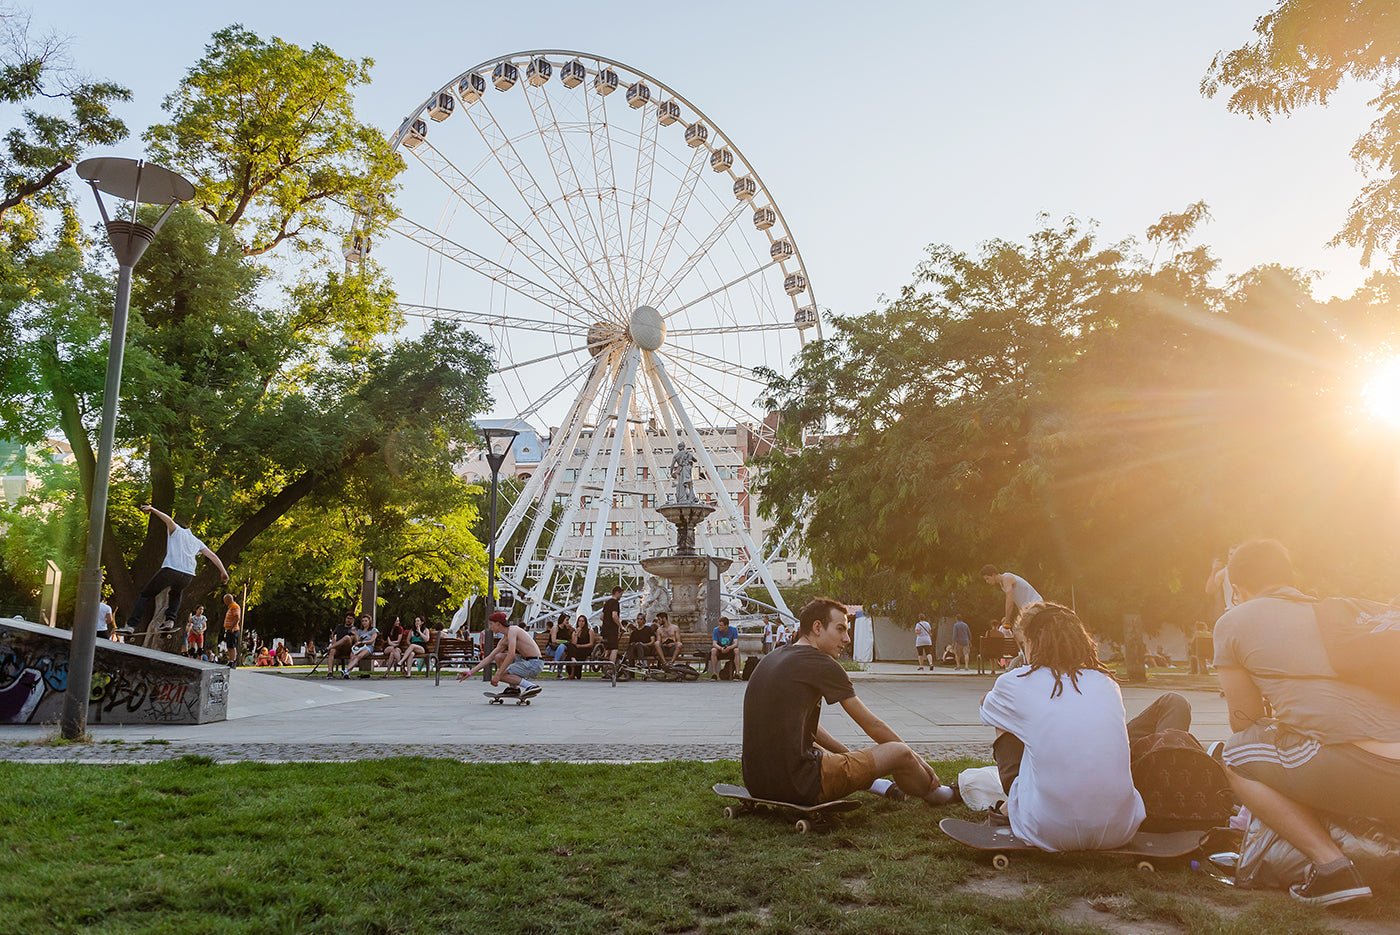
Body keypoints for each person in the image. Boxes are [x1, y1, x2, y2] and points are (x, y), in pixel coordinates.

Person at [1214, 539, 1400, 907]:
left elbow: (1244, 720)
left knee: (1236, 754)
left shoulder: (1232, 621)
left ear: (1237, 590)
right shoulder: (1333, 615)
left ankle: (1332, 869)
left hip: (1361, 766)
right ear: (1288, 576)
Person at [979, 601, 1187, 852]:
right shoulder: (1106, 682)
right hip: (1119, 829)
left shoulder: (1016, 681)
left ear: (1033, 641)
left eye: (1024, 645)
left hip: (1049, 829)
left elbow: (987, 709)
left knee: (1003, 719)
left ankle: (1012, 802)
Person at [742, 597, 955, 806]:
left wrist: (847, 755)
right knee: (899, 752)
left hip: (758, 783)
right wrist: (919, 760)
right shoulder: (821, 663)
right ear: (818, 627)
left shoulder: (772, 658)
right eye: (841, 629)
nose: (847, 639)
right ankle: (940, 794)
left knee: (807, 743)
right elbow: (872, 724)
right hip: (800, 786)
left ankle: (879, 785)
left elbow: (805, 726)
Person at [126, 504, 229, 635]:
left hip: (171, 570)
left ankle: (131, 625)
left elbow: (168, 520)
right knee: (176, 593)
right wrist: (223, 571)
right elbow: (212, 556)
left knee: (146, 594)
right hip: (188, 575)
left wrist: (153, 509)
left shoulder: (176, 530)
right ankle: (170, 620)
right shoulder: (196, 541)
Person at [457, 611, 543, 697]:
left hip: (534, 664)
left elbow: (511, 654)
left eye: (491, 624)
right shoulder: (505, 639)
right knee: (498, 657)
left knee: (500, 674)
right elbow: (490, 657)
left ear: (498, 624)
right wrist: (470, 672)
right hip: (525, 661)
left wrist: (499, 674)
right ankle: (513, 688)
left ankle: (530, 686)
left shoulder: (513, 630)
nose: (490, 627)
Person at [980, 564, 1043, 631]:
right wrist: (1012, 616)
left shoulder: (1006, 579)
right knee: (1019, 629)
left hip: (1035, 604)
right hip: (1028, 607)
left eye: (987, 578)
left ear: (993, 574)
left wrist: (1007, 620)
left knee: (1019, 631)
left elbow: (1009, 601)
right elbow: (1017, 601)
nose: (987, 582)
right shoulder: (1002, 585)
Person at [324, 614, 357, 678]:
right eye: (347, 618)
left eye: (350, 619)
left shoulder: (354, 629)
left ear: (353, 620)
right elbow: (334, 636)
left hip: (347, 648)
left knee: (347, 637)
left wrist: (355, 635)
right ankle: (330, 672)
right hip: (338, 648)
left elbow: (356, 641)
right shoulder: (339, 627)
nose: (348, 620)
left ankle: (328, 648)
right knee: (332, 651)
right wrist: (333, 643)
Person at [600, 586, 623, 673]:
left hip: (604, 629)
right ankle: (611, 669)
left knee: (607, 649)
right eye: (621, 594)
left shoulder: (607, 603)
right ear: (617, 593)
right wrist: (620, 626)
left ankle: (604, 669)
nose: (621, 597)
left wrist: (607, 621)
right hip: (612, 630)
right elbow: (614, 616)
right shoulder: (615, 603)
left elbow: (601, 617)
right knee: (614, 649)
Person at [710, 616, 741, 680]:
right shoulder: (716, 630)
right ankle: (714, 674)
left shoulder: (733, 630)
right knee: (713, 650)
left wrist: (729, 648)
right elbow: (714, 644)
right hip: (720, 649)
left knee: (737, 650)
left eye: (721, 625)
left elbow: (736, 643)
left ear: (726, 625)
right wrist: (721, 648)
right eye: (719, 625)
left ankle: (737, 673)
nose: (719, 627)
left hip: (729, 649)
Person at [566, 614, 595, 679]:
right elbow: (574, 643)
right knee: (570, 647)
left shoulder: (590, 631)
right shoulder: (575, 631)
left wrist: (580, 646)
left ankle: (573, 673)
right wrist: (576, 634)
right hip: (576, 649)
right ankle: (573, 665)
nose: (581, 623)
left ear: (585, 622)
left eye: (583, 621)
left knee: (573, 653)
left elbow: (591, 644)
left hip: (585, 648)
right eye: (579, 621)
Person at [221, 593, 242, 667]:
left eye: (225, 600)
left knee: (232, 645)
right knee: (229, 645)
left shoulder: (234, 607)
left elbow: (237, 618)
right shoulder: (230, 607)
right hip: (228, 628)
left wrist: (232, 627)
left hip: (232, 629)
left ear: (228, 599)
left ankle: (233, 661)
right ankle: (230, 660)